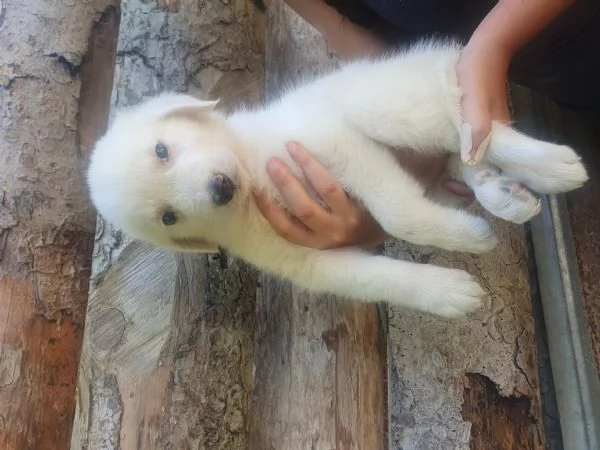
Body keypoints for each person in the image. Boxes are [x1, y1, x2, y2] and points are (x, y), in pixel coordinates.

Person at [254, 0, 600, 250]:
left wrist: (494, 44)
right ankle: (474, 171)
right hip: (565, 83)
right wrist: (388, 197)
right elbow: (371, 54)